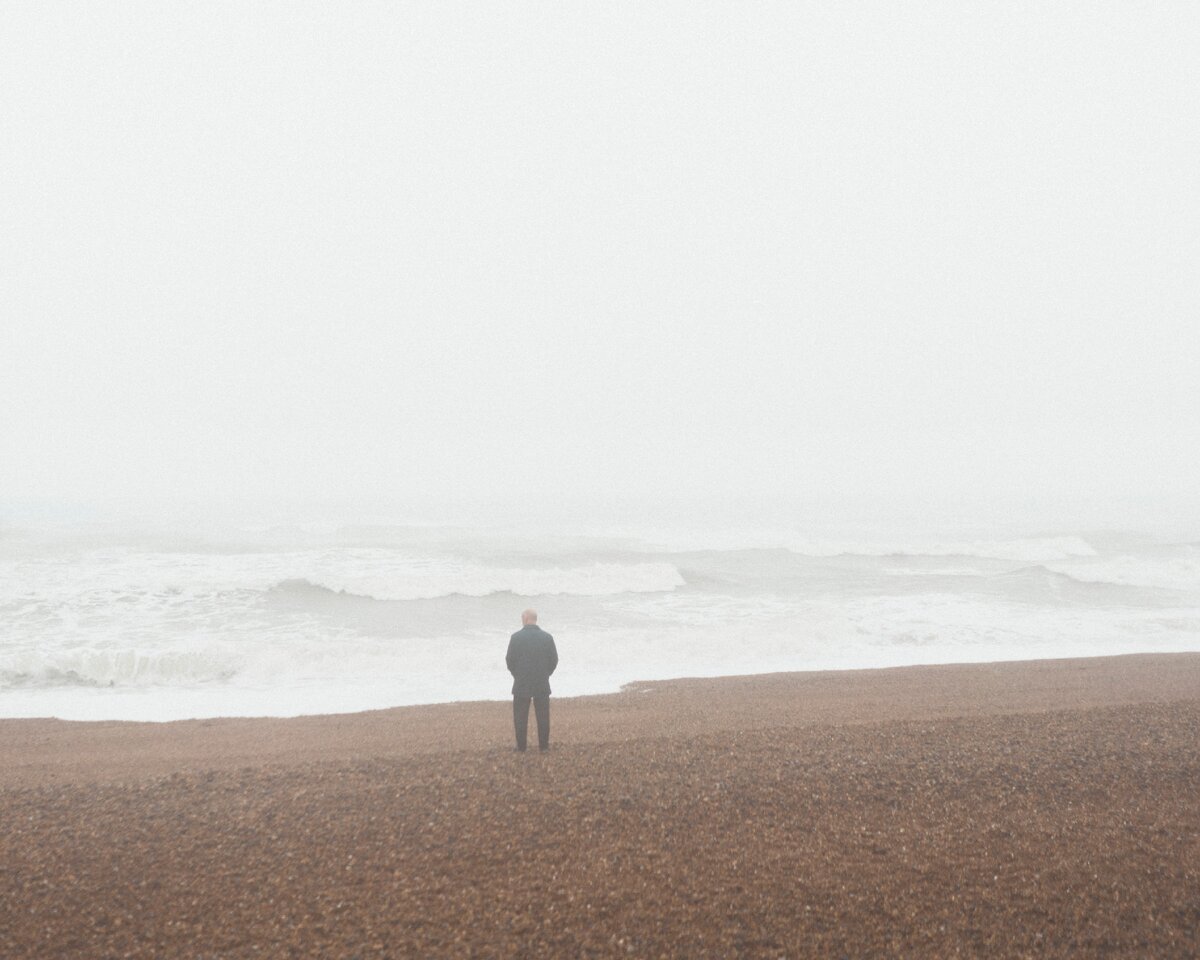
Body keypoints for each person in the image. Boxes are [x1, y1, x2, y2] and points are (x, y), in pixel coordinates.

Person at [505, 609, 558, 752]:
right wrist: (546, 674)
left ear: (526, 618)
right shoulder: (547, 638)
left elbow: (510, 660)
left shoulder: (516, 637)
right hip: (541, 681)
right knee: (543, 716)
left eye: (522, 617)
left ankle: (521, 747)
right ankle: (544, 747)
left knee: (520, 716)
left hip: (522, 681)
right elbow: (554, 660)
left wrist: (517, 674)